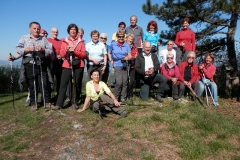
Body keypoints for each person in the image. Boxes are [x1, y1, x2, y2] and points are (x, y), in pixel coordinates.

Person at [14, 22, 52, 111]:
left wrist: (43, 50)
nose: (36, 30)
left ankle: (46, 102)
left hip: (41, 63)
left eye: (38, 28)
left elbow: (50, 51)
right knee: (32, 84)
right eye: (34, 28)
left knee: (44, 83)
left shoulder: (44, 39)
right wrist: (27, 50)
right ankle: (33, 103)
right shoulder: (24, 38)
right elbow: (18, 48)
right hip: (29, 64)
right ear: (30, 29)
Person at [51, 23, 87, 109]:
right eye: (71, 29)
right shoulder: (65, 41)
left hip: (79, 65)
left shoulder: (81, 42)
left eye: (75, 29)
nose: (73, 31)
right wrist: (67, 50)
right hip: (67, 65)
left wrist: (74, 51)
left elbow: (83, 55)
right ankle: (59, 104)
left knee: (77, 84)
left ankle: (75, 101)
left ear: (77, 31)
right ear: (68, 31)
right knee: (63, 84)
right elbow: (62, 54)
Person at [108, 31, 131, 102]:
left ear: (124, 37)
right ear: (117, 37)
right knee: (119, 82)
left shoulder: (127, 45)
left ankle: (123, 97)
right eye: (119, 37)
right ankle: (115, 97)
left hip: (124, 64)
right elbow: (109, 53)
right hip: (117, 64)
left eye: (122, 37)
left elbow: (130, 55)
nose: (121, 38)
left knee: (125, 82)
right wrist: (111, 59)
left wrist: (127, 58)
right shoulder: (113, 44)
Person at [47, 27, 62, 101]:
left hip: (59, 62)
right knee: (50, 80)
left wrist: (61, 55)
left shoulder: (60, 41)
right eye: (53, 32)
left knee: (59, 80)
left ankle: (58, 96)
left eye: (56, 32)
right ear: (50, 32)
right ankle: (48, 97)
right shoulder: (47, 40)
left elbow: (63, 51)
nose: (55, 33)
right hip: (50, 62)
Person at [125, 33, 138, 99]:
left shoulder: (134, 46)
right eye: (129, 39)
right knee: (126, 80)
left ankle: (130, 94)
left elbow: (136, 54)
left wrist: (134, 56)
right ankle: (125, 94)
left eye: (132, 39)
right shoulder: (124, 45)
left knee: (132, 80)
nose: (130, 40)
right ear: (126, 39)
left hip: (133, 65)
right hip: (126, 65)